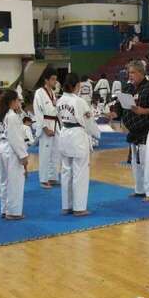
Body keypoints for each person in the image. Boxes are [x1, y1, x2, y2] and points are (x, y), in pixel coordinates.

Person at [57, 73, 101, 217]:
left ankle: (66, 206)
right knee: (80, 172)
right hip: (77, 136)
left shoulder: (60, 100)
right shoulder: (79, 101)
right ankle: (79, 208)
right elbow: (88, 122)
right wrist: (96, 133)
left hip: (64, 133)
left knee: (66, 171)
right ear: (76, 85)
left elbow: (60, 119)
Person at [121, 60, 149, 202]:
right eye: (129, 73)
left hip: (148, 131)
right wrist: (113, 113)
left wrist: (143, 111)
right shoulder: (128, 88)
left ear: (141, 73)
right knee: (137, 163)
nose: (130, 75)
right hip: (134, 131)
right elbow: (120, 106)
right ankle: (139, 189)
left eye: (133, 72)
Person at [0, 90, 29, 220]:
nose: (19, 103)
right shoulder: (12, 116)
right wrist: (23, 156)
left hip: (3, 148)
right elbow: (16, 138)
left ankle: (5, 209)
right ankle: (13, 212)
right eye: (18, 100)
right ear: (12, 101)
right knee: (15, 181)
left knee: (5, 181)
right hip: (12, 150)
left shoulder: (3, 114)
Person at [33, 68, 60, 189]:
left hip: (55, 124)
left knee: (55, 152)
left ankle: (52, 176)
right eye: (53, 79)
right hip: (46, 125)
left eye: (55, 79)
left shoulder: (53, 93)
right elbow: (38, 112)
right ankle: (43, 180)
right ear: (46, 80)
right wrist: (44, 128)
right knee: (45, 154)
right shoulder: (39, 93)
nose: (55, 81)